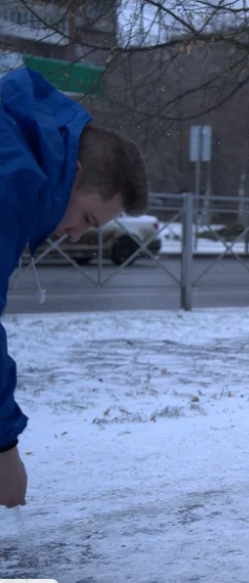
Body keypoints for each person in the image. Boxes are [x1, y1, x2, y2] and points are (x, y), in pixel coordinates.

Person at [0, 68, 149, 509]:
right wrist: (5, 449)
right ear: (73, 173)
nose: (77, 236)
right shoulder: (11, 183)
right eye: (86, 218)